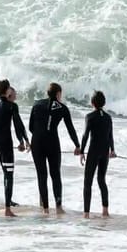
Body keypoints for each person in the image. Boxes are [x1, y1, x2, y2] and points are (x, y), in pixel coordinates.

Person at [29, 82, 81, 214]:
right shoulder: (63, 108)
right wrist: (77, 145)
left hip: (37, 142)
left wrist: (38, 135)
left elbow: (30, 127)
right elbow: (70, 129)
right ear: (58, 94)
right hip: (52, 142)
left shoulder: (37, 104)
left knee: (42, 175)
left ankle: (45, 208)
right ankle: (58, 206)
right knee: (55, 175)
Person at [0, 81, 30, 217]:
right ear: (7, 90)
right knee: (8, 175)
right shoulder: (11, 106)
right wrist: (24, 140)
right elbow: (18, 124)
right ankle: (7, 209)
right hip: (5, 144)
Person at [80, 90, 116, 219]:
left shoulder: (90, 116)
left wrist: (81, 151)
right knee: (102, 180)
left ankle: (86, 214)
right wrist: (112, 150)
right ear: (103, 103)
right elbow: (110, 135)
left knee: (87, 182)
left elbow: (85, 135)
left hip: (94, 151)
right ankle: (105, 211)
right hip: (105, 152)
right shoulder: (108, 117)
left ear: (92, 103)